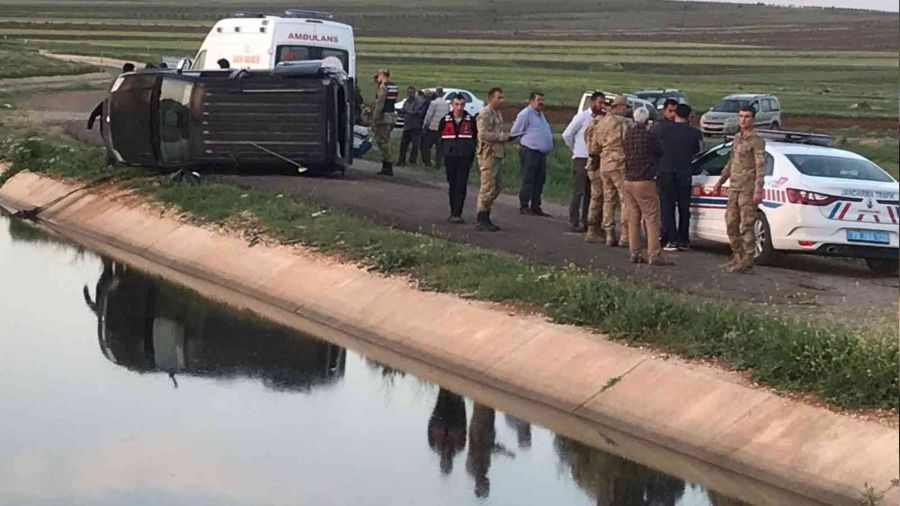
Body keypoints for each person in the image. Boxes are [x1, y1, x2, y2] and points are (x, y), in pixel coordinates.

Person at [713, 105, 766, 273]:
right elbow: (731, 162)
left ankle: (747, 260)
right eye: (741, 116)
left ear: (753, 119)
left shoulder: (756, 139)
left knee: (746, 225)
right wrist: (721, 180)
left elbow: (760, 165)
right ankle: (737, 256)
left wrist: (758, 188)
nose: (743, 120)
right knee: (731, 223)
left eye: (747, 116)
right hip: (734, 187)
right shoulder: (737, 138)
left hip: (747, 189)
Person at [623, 107, 671, 265]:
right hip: (645, 180)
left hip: (628, 180)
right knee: (651, 219)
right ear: (647, 120)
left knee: (633, 219)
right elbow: (661, 151)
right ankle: (654, 254)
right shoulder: (650, 136)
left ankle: (634, 253)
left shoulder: (628, 135)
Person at [656, 103, 703, 251]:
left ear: (675, 114)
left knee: (667, 207)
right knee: (684, 207)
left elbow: (656, 148)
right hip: (685, 172)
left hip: (666, 171)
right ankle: (684, 239)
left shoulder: (663, 129)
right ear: (689, 116)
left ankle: (671, 238)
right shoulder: (694, 133)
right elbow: (697, 151)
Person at [588, 95, 630, 247]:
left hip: (604, 164)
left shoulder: (601, 122)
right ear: (619, 107)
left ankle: (609, 234)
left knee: (608, 199)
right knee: (625, 199)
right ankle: (625, 235)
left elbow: (594, 147)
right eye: (625, 107)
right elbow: (627, 142)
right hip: (619, 164)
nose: (626, 111)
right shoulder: (622, 123)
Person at [563, 91, 605, 233]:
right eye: (599, 102)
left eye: (603, 103)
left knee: (591, 192)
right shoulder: (581, 117)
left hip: (594, 158)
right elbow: (567, 134)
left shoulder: (601, 119)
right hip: (581, 157)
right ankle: (574, 220)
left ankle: (587, 220)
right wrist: (576, 149)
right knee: (578, 191)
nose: (601, 105)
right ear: (592, 102)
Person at [474, 87, 512, 232]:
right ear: (491, 99)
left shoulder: (497, 113)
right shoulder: (485, 113)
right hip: (488, 154)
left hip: (497, 153)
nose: (502, 100)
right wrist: (502, 138)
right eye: (499, 97)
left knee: (496, 187)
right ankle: (481, 218)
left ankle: (486, 214)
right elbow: (483, 134)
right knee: (487, 187)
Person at [511, 91, 553, 216]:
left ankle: (536, 206)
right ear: (531, 100)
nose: (541, 102)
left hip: (540, 153)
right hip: (530, 151)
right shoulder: (526, 113)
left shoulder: (540, 114)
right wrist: (518, 143)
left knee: (539, 179)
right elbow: (515, 131)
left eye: (541, 100)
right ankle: (524, 205)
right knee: (528, 179)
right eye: (538, 99)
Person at [438, 94, 478, 223]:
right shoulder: (445, 120)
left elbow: (474, 138)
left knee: (461, 185)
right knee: (452, 185)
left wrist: (471, 154)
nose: (459, 107)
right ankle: (452, 210)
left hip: (464, 158)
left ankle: (457, 213)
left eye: (461, 104)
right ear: (452, 105)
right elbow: (440, 139)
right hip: (450, 157)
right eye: (456, 104)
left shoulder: (471, 120)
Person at [372, 69, 399, 176]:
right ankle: (387, 165)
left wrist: (375, 119)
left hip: (383, 117)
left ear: (382, 75)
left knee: (382, 142)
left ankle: (387, 165)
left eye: (378, 75)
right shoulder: (394, 86)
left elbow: (380, 104)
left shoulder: (384, 87)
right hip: (392, 116)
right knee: (386, 140)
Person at [422, 87, 450, 168]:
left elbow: (429, 115)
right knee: (439, 148)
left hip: (432, 128)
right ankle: (438, 164)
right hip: (442, 129)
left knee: (426, 146)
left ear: (437, 93)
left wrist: (425, 125)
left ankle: (427, 163)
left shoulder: (434, 103)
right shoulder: (446, 103)